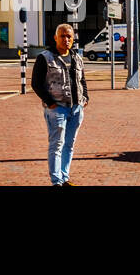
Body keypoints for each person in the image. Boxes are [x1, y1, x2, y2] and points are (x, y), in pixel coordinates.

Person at [31, 23, 88, 186]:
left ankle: (65, 177)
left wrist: (86, 98)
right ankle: (56, 181)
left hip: (76, 108)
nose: (66, 39)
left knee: (69, 145)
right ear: (55, 38)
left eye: (69, 36)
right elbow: (36, 83)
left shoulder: (76, 56)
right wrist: (50, 103)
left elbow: (81, 79)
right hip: (57, 108)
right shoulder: (45, 57)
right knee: (57, 144)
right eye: (62, 36)